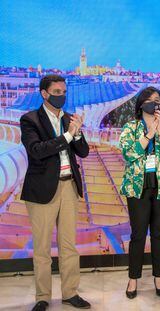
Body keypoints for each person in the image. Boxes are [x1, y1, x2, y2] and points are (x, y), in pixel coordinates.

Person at [20, 74, 90, 311]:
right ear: (44, 93)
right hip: (41, 190)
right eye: (57, 92)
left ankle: (70, 292)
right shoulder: (30, 120)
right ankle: (43, 296)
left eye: (64, 92)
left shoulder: (70, 119)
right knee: (42, 248)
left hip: (69, 186)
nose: (61, 96)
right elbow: (37, 150)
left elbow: (83, 152)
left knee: (68, 245)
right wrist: (68, 135)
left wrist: (77, 133)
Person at [119, 86, 160, 298]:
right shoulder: (130, 127)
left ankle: (158, 277)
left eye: (156, 100)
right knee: (138, 235)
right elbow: (129, 154)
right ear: (140, 104)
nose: (153, 103)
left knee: (158, 234)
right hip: (138, 188)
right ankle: (132, 279)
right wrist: (149, 134)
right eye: (148, 99)